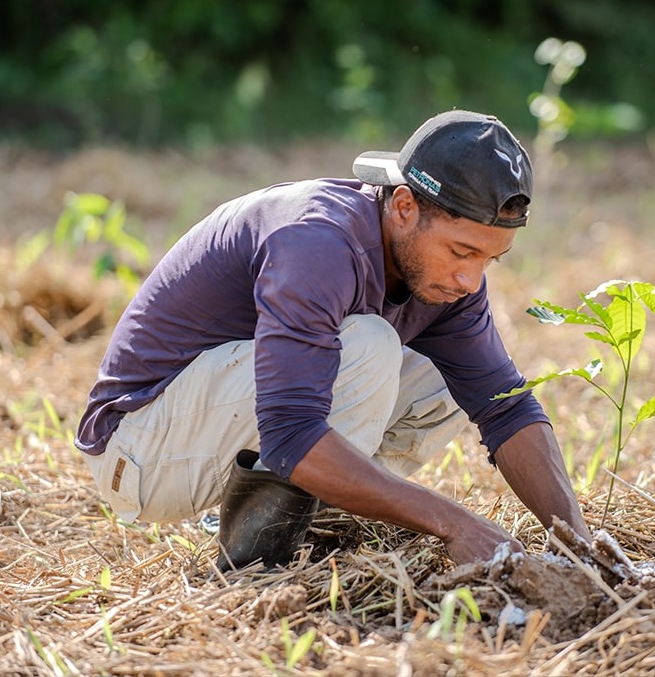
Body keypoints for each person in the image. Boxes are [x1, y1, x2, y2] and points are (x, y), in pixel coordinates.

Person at [75, 109, 591, 571]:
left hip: (216, 433)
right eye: (461, 252)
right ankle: (259, 560)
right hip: (140, 450)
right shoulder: (317, 242)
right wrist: (452, 522)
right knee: (369, 346)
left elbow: (506, 408)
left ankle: (311, 525)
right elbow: (291, 432)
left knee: (447, 378)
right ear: (405, 206)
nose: (470, 281)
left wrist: (579, 543)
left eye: (488, 260)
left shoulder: (444, 283)